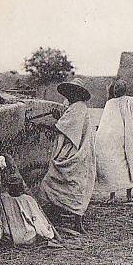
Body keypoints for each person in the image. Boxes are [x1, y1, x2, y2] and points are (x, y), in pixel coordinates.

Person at [39, 78, 96, 234]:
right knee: (75, 186)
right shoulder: (77, 108)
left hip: (74, 151)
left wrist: (40, 124)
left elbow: (61, 129)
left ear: (77, 94)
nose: (69, 95)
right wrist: (59, 117)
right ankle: (65, 217)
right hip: (78, 151)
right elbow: (68, 125)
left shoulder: (78, 108)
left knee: (53, 182)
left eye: (72, 92)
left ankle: (74, 222)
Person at [95, 79, 133, 202]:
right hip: (116, 140)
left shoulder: (130, 102)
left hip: (124, 139)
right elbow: (107, 122)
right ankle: (116, 196)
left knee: (127, 165)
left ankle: (126, 195)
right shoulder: (116, 103)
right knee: (118, 164)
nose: (116, 90)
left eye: (118, 88)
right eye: (116, 88)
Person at [0, 167, 62, 248]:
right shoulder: (28, 199)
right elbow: (37, 220)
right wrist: (46, 233)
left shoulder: (3, 198)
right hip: (27, 236)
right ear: (21, 187)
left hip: (9, 236)